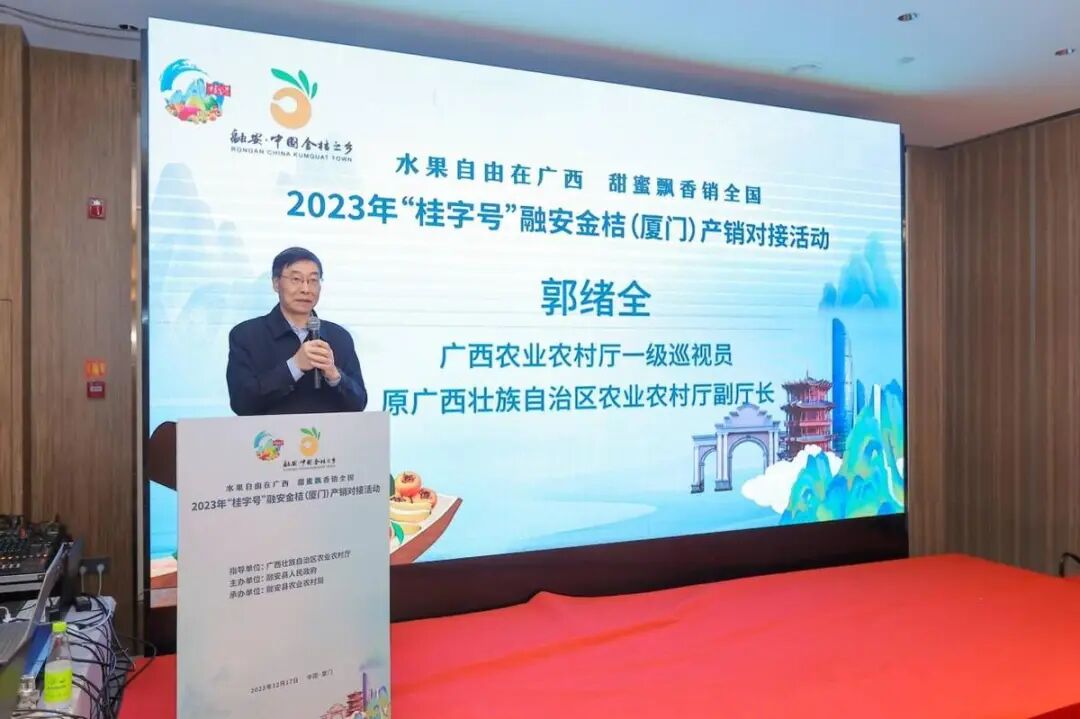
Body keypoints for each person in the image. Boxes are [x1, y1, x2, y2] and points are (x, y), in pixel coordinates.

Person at [226, 247, 367, 415]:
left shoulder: (339, 337)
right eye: (296, 279)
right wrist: (294, 367)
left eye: (313, 280)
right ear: (276, 283)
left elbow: (358, 404)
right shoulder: (246, 335)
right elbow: (242, 403)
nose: (306, 289)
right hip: (271, 432)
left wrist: (334, 375)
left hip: (328, 432)